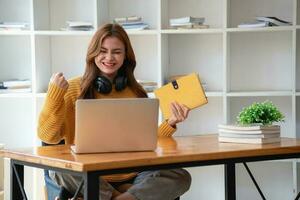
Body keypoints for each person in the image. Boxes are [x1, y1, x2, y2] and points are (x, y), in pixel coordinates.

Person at [38, 23, 191, 200]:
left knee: (180, 176)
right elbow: (48, 136)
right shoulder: (73, 88)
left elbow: (147, 143)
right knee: (61, 170)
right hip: (89, 173)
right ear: (93, 53)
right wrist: (54, 95)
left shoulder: (136, 92)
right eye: (102, 51)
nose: (109, 57)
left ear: (126, 56)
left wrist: (170, 122)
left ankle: (115, 197)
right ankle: (125, 197)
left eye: (117, 52)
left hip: (132, 174)